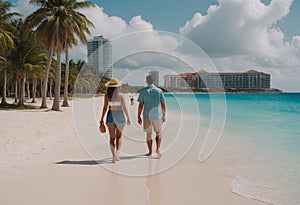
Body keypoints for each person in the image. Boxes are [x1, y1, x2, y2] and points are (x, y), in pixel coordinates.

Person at [100, 78, 131, 163]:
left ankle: (113, 156)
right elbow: (124, 107)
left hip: (110, 115)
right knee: (119, 137)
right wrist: (128, 117)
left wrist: (101, 119)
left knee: (112, 138)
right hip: (119, 115)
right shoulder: (121, 95)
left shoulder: (107, 96)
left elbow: (105, 108)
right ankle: (117, 155)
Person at [137, 74, 166, 158]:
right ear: (154, 81)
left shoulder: (143, 91)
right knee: (158, 132)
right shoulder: (159, 91)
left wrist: (138, 116)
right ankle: (158, 149)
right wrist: (164, 115)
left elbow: (140, 105)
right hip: (157, 114)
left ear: (146, 81)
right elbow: (163, 104)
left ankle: (150, 152)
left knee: (149, 134)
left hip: (147, 115)